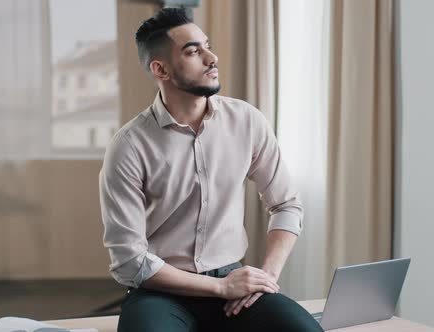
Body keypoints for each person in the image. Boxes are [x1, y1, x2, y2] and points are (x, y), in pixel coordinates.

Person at [99, 7, 323, 332]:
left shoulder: (246, 121)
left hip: (233, 278)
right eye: (193, 51)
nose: (211, 57)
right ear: (160, 69)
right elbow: (129, 260)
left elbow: (286, 205)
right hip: (161, 292)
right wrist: (220, 289)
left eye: (207, 45)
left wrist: (265, 278)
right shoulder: (130, 146)